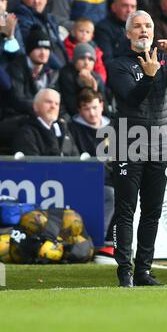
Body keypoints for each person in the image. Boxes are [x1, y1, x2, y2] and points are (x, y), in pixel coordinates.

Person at [107, 10, 167, 287]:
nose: (143, 30)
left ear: (154, 32)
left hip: (158, 143)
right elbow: (131, 98)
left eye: (148, 26)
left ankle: (143, 271)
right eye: (137, 26)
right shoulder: (118, 64)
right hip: (127, 142)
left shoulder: (165, 60)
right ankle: (125, 272)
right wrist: (148, 77)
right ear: (127, 33)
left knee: (152, 211)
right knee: (126, 210)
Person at [68, 88, 114, 244]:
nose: (92, 113)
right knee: (110, 194)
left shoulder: (113, 126)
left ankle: (119, 240)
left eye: (94, 107)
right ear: (80, 110)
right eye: (86, 109)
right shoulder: (72, 129)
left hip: (113, 179)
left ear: (101, 105)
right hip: (87, 180)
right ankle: (98, 240)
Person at [6, 27, 59, 119]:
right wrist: (42, 107)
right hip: (18, 117)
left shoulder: (52, 72)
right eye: (38, 48)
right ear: (29, 50)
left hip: (43, 116)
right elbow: (17, 100)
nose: (43, 53)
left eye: (46, 49)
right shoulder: (17, 68)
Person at [15, 0, 68, 70]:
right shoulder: (22, 18)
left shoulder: (51, 18)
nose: (36, 1)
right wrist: (62, 70)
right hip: (45, 70)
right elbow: (39, 48)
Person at [12, 88, 78, 156]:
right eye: (48, 102)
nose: (53, 106)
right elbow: (32, 164)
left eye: (57, 104)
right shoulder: (26, 133)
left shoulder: (64, 129)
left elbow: (76, 160)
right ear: (35, 106)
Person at [58, 42, 106, 118]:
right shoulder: (66, 74)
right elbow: (71, 106)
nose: (86, 62)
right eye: (82, 58)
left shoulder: (97, 78)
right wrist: (87, 87)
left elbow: (104, 107)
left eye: (90, 59)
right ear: (75, 60)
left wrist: (94, 89)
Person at [95, 0, 137, 67]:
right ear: (113, 7)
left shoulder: (139, 27)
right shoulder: (102, 28)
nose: (129, 10)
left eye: (133, 7)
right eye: (125, 6)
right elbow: (107, 61)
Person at [64, 17, 107, 83]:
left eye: (87, 32)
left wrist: (99, 81)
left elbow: (100, 68)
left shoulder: (96, 50)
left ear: (92, 36)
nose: (84, 34)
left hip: (91, 79)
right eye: (81, 31)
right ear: (73, 32)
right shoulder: (66, 46)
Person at [0, 0, 24, 69]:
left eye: (2, 0)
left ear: (6, 3)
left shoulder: (10, 21)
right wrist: (3, 35)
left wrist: (10, 37)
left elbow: (20, 58)